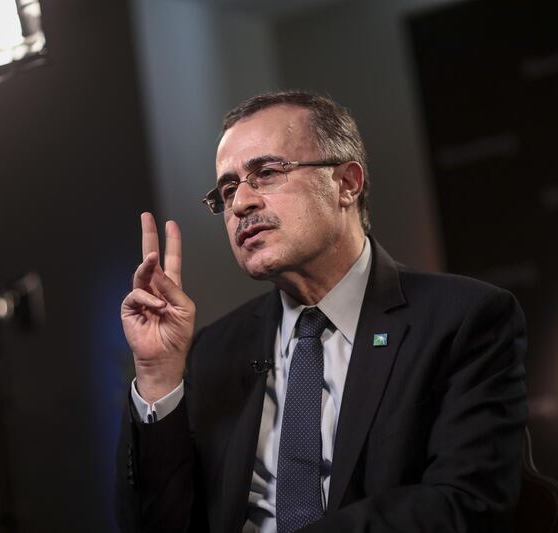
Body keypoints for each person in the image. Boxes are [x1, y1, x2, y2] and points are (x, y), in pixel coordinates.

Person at [115, 91, 527, 533]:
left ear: (347, 184)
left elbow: (466, 504)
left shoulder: (462, 320)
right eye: (228, 188)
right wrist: (158, 377)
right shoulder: (211, 352)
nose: (240, 205)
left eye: (267, 173)